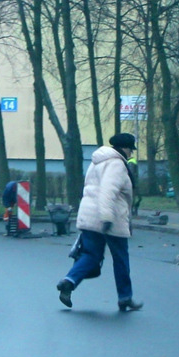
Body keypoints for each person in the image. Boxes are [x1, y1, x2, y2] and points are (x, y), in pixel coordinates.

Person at [56, 132, 143, 312]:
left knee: (91, 255)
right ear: (125, 149)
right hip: (110, 217)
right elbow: (107, 191)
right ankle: (125, 297)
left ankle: (69, 281)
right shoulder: (117, 164)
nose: (131, 154)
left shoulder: (97, 162)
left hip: (88, 215)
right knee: (120, 259)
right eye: (130, 150)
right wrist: (107, 218)